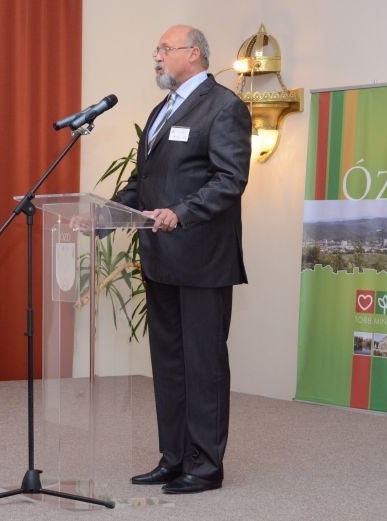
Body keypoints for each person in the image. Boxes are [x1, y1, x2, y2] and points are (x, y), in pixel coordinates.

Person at [113, 24, 251, 494]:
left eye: (165, 49)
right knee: (169, 363)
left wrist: (181, 212)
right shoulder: (161, 110)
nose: (157, 57)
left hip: (202, 259)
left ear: (193, 53)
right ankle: (173, 457)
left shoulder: (224, 106)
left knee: (203, 364)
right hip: (160, 257)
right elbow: (144, 181)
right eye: (157, 50)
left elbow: (230, 179)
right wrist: (107, 214)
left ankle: (205, 465)